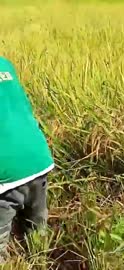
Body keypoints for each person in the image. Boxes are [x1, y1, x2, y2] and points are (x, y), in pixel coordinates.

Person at [0, 57, 54, 262]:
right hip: (38, 157)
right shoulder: (4, 64)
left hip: (5, 172)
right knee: (37, 229)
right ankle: (41, 261)